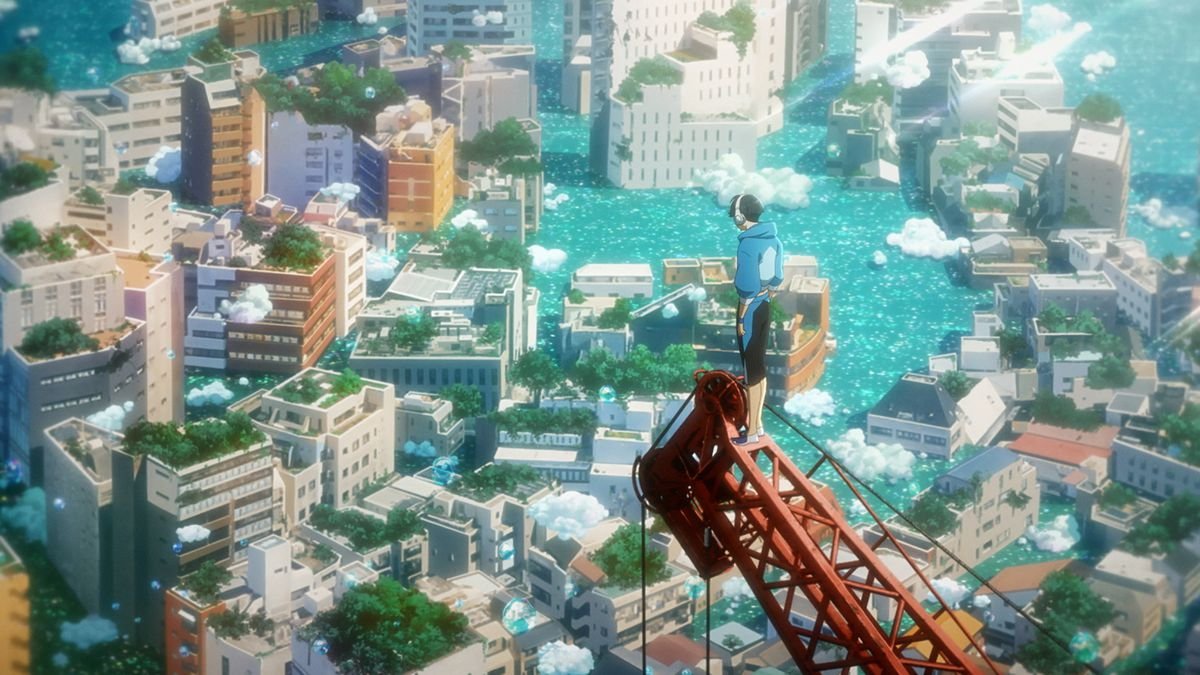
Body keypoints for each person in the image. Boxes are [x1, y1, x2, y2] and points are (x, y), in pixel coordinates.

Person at [729, 193, 783, 445]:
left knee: (750, 371)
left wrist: (740, 318)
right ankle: (758, 424)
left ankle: (750, 432)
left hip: (750, 309)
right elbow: (777, 278)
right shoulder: (774, 239)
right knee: (759, 367)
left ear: (741, 215)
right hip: (766, 305)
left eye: (734, 215)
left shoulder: (747, 244)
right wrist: (766, 295)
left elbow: (746, 286)